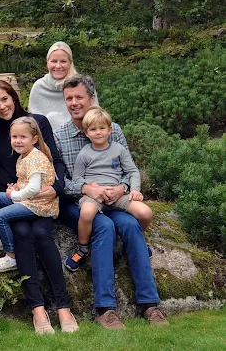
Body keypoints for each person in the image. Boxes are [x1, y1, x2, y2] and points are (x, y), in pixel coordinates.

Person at [54, 74, 168, 329]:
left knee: (130, 225)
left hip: (113, 199)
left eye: (79, 97)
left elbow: (129, 170)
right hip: (77, 203)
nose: (73, 103)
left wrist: (122, 188)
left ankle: (150, 305)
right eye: (68, 98)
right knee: (104, 227)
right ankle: (105, 309)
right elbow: (60, 183)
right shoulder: (60, 137)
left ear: (92, 99)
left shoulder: (113, 129)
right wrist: (86, 188)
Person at [0, 80, 77, 334]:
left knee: (42, 235)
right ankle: (38, 310)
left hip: (41, 197)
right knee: (21, 234)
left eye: (5, 99)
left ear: (14, 97)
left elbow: (55, 159)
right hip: (13, 196)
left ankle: (63, 308)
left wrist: (56, 187)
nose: (1, 106)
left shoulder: (37, 123)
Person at [65, 107, 153, 272]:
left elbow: (132, 171)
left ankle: (137, 242)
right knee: (86, 213)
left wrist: (134, 189)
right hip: (94, 196)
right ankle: (83, 248)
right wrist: (91, 188)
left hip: (117, 194)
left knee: (146, 213)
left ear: (110, 129)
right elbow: (77, 179)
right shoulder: (84, 153)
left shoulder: (118, 149)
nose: (98, 132)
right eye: (93, 129)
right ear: (86, 132)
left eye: (102, 128)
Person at [0, 116, 59, 273]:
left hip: (38, 204)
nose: (18, 141)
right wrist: (16, 187)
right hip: (26, 199)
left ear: (34, 139)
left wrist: (13, 195)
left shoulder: (35, 158)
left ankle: (12, 256)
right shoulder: (24, 156)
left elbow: (34, 189)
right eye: (14, 137)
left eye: (23, 137)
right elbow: (27, 182)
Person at [28, 41, 98, 131]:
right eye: (53, 61)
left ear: (70, 63)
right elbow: (33, 124)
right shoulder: (38, 87)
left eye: (63, 61)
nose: (58, 66)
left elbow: (96, 117)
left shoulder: (84, 84)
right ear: (47, 62)